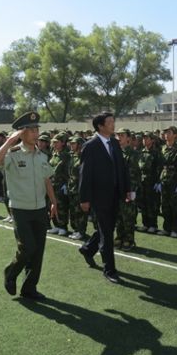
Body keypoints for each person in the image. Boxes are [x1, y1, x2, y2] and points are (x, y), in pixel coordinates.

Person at [0, 111, 57, 300]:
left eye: (37, 128)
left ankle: (29, 288)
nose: (36, 132)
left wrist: (53, 202)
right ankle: (10, 273)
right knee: (28, 247)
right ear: (21, 133)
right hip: (21, 209)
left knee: (38, 252)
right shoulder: (12, 154)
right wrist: (9, 141)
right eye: (31, 129)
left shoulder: (42, 155)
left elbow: (47, 180)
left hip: (40, 209)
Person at [78, 112, 132, 284]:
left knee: (107, 228)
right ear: (100, 126)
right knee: (107, 234)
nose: (113, 124)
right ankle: (109, 269)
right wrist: (84, 198)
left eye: (113, 121)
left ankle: (88, 249)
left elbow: (122, 168)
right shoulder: (90, 146)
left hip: (116, 194)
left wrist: (127, 189)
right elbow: (84, 174)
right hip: (99, 196)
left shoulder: (114, 143)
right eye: (109, 122)